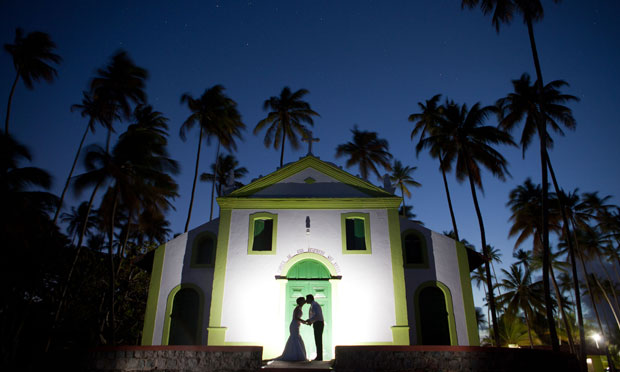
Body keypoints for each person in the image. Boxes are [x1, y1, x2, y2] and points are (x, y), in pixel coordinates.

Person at [275, 297, 308, 362]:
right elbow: (296, 317)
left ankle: (295, 354)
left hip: (296, 325)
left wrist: (302, 322)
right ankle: (294, 354)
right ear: (300, 302)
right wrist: (303, 321)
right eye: (303, 300)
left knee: (296, 338)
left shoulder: (299, 308)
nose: (304, 301)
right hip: (294, 325)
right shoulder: (297, 308)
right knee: (295, 338)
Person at [305, 294, 324, 361]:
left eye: (306, 299)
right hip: (317, 323)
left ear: (310, 299)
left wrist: (310, 320)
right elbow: (315, 315)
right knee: (318, 340)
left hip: (318, 324)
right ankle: (319, 356)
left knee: (318, 340)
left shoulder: (314, 305)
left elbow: (317, 315)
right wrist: (311, 321)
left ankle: (319, 357)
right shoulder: (313, 305)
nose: (306, 300)